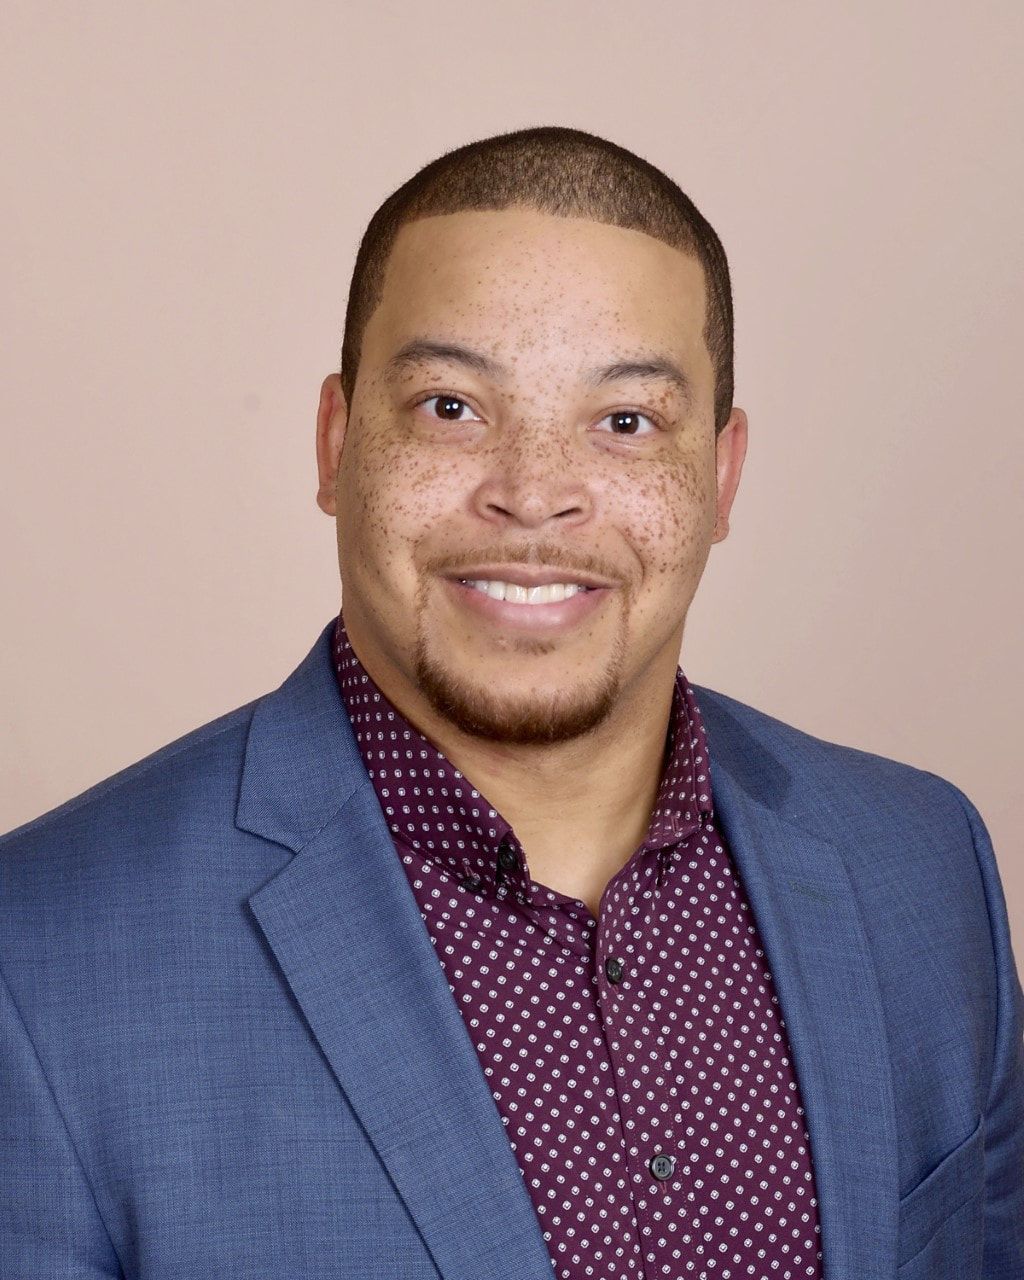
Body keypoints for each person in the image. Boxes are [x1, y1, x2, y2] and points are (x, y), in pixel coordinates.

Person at [1, 125, 1020, 1280]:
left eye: (625, 421)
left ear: (722, 474)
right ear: (336, 443)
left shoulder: (923, 866)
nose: (533, 494)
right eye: (450, 406)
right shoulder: (36, 961)